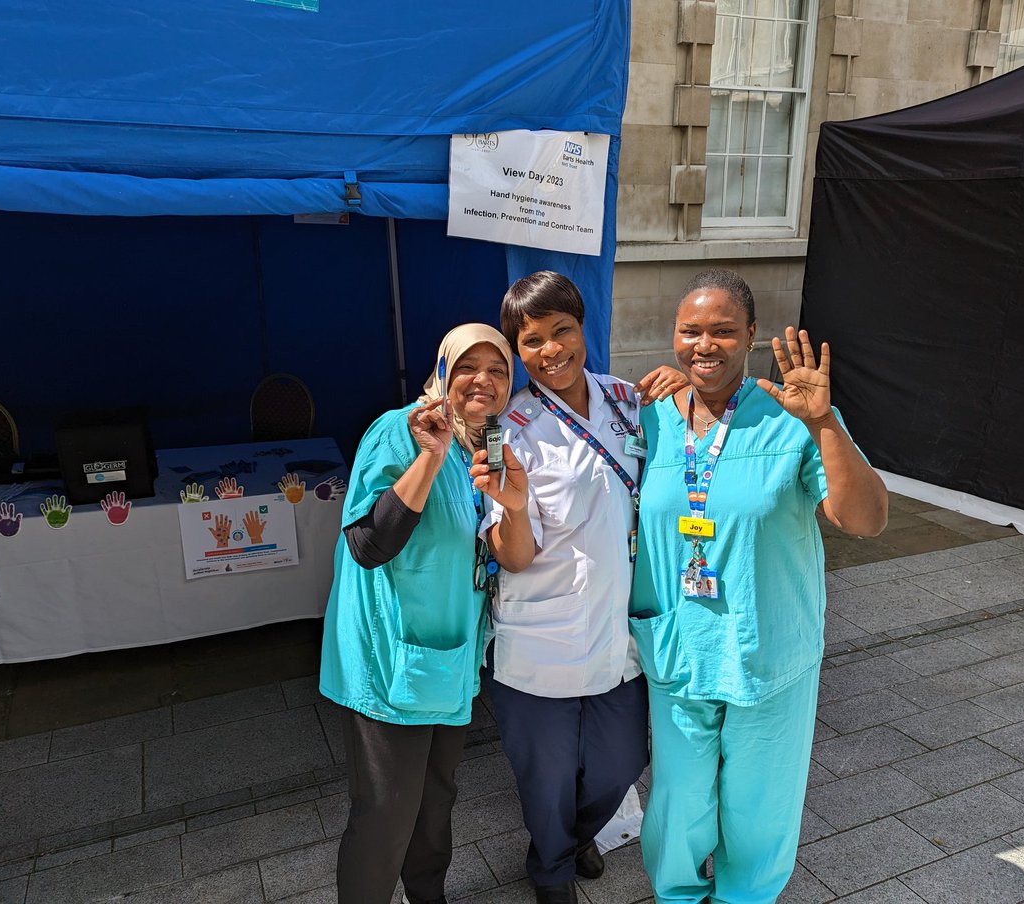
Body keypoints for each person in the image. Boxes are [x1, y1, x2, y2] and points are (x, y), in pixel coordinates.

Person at [628, 269, 888, 904]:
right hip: (678, 647)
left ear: (750, 336)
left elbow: (867, 520)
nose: (704, 345)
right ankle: (678, 895)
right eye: (690, 331)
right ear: (673, 336)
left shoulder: (793, 417)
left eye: (722, 331)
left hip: (767, 648)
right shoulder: (649, 420)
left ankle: (745, 897)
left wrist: (825, 424)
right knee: (679, 800)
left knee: (759, 804)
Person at [474, 271, 686, 904]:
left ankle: (567, 838)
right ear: (518, 350)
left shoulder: (629, 400)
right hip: (538, 638)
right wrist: (512, 507)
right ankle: (552, 870)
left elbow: (687, 454)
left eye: (561, 330)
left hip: (616, 631)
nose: (551, 350)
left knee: (622, 762)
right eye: (532, 340)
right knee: (547, 778)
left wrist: (683, 390)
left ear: (583, 326)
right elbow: (513, 558)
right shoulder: (509, 425)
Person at [319, 323, 530, 904]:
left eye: (498, 369)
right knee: (386, 812)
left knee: (436, 801)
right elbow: (367, 545)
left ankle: (426, 895)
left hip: (450, 661)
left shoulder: (485, 444)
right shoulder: (401, 431)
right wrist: (429, 458)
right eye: (468, 366)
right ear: (441, 373)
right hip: (391, 661)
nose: (483, 380)